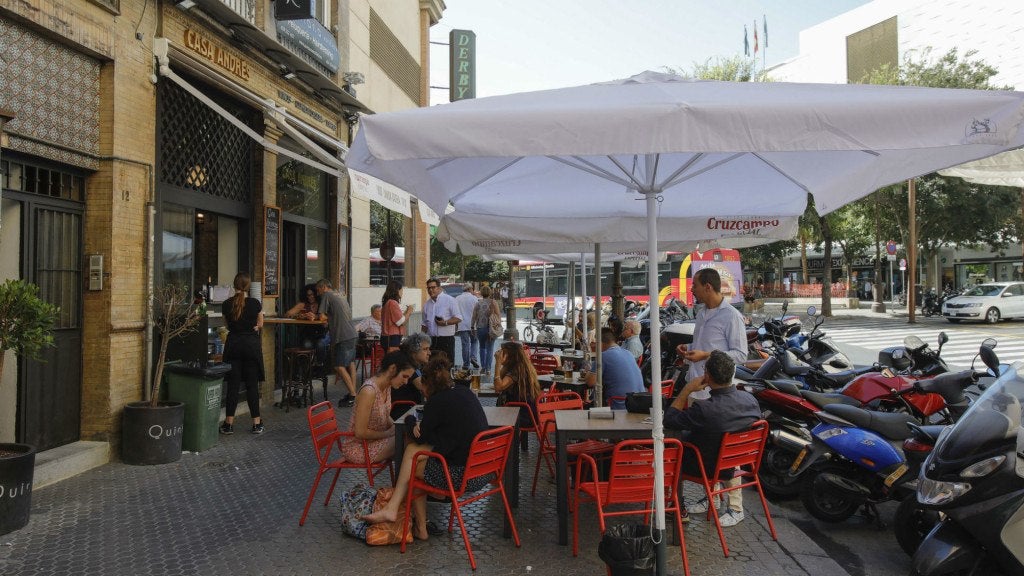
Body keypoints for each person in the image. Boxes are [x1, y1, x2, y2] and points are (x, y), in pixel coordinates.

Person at [363, 355, 489, 541]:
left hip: (463, 476)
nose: (422, 392)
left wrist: (410, 420)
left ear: (428, 385)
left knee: (412, 467)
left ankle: (413, 522)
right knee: (413, 453)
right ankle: (402, 511)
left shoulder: (436, 402)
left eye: (423, 388)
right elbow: (444, 436)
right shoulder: (464, 392)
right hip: (483, 470)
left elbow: (419, 437)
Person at [663, 350, 761, 527]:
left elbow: (669, 420)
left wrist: (687, 389)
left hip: (710, 468)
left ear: (707, 375)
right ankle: (712, 499)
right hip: (737, 461)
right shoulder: (750, 400)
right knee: (703, 440)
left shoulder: (704, 409)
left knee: (669, 451)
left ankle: (675, 506)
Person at [676, 268, 747, 401]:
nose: (692, 290)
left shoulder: (732, 316)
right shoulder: (701, 313)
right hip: (694, 386)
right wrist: (687, 348)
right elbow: (703, 345)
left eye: (695, 285)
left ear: (708, 287)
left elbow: (741, 355)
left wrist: (705, 355)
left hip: (715, 394)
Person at [342, 351, 415, 464]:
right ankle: (404, 475)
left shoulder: (387, 386)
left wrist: (397, 428)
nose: (406, 382)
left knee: (410, 437)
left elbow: (385, 414)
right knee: (408, 441)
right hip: (359, 448)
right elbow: (360, 432)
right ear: (392, 369)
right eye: (404, 376)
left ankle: (405, 474)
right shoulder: (369, 391)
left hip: (374, 442)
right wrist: (388, 433)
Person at [220, 272, 266, 435]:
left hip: (233, 345)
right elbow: (260, 324)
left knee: (233, 386)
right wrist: (255, 327)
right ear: (248, 286)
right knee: (252, 385)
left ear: (234, 285)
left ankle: (228, 424)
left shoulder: (226, 304)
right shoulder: (255, 303)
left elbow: (226, 325)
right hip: (251, 346)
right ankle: (256, 424)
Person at [315, 279, 359, 407]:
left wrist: (316, 316)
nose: (318, 293)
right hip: (352, 333)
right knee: (351, 364)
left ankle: (353, 395)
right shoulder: (340, 294)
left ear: (324, 287)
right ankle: (353, 393)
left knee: (339, 366)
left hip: (342, 335)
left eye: (318, 290)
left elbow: (321, 317)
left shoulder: (327, 295)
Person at [494, 340, 542, 450]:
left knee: (491, 419)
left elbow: (498, 387)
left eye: (502, 352)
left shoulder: (516, 370)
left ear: (510, 356)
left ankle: (505, 450)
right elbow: (499, 383)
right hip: (527, 411)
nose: (499, 354)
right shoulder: (519, 366)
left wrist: (497, 364)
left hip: (523, 415)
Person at [584, 327, 644, 409]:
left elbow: (590, 382)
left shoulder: (603, 357)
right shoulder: (628, 353)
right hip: (638, 403)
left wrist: (588, 372)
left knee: (583, 410)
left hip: (619, 405)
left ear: (600, 343)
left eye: (595, 342)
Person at [390, 333, 432, 420]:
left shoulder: (414, 363)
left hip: (410, 406)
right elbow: (424, 387)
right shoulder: (408, 365)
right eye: (425, 349)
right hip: (403, 409)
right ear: (414, 351)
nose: (429, 353)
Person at [284, 283, 329, 357]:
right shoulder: (303, 304)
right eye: (308, 295)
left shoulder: (321, 304)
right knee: (307, 345)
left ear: (316, 294)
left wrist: (316, 317)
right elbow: (287, 314)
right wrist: (299, 316)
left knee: (320, 345)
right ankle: (309, 363)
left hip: (322, 333)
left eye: (312, 295)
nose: (311, 297)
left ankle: (320, 363)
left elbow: (327, 316)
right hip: (308, 334)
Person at [422, 277, 459, 363]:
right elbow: (424, 324)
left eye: (433, 287)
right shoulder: (427, 304)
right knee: (431, 365)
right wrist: (422, 339)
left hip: (446, 340)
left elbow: (458, 318)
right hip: (431, 340)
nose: (430, 290)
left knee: (447, 365)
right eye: (428, 288)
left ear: (439, 288)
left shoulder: (450, 300)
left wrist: (445, 322)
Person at [472, 285, 502, 376]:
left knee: (482, 348)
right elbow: (498, 316)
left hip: (480, 329)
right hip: (491, 329)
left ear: (481, 293)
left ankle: (483, 367)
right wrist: (498, 325)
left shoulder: (478, 303)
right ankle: (488, 369)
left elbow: (474, 317)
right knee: (490, 348)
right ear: (490, 293)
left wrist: (472, 327)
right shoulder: (493, 302)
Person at [381, 280, 414, 352]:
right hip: (392, 338)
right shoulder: (392, 303)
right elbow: (400, 322)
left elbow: (399, 319)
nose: (402, 293)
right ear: (397, 290)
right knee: (393, 358)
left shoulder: (387, 302)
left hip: (387, 338)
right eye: (401, 290)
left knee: (389, 358)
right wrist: (409, 311)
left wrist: (406, 312)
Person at [455, 284, 480, 370]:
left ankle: (466, 364)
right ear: (470, 289)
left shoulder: (457, 298)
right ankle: (473, 358)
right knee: (474, 342)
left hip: (462, 324)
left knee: (465, 344)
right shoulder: (474, 298)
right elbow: (478, 312)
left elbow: (455, 312)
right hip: (473, 325)